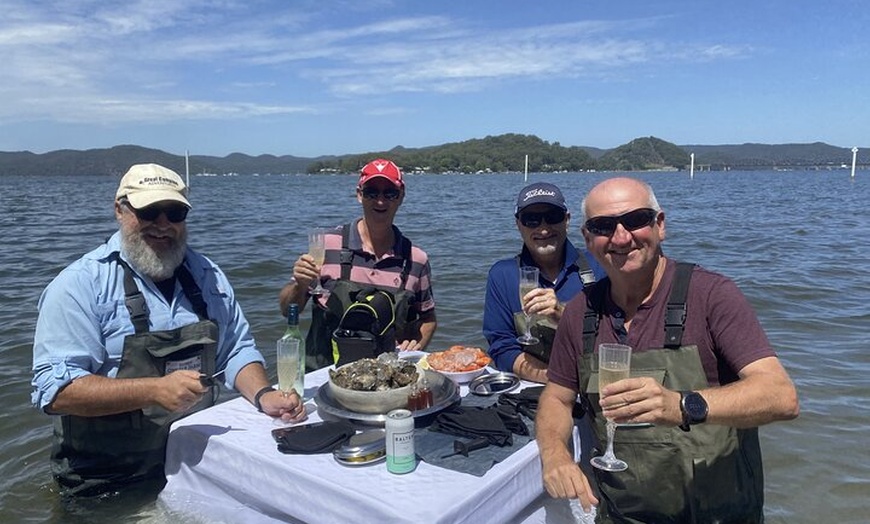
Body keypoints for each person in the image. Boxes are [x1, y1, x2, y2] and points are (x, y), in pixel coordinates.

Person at [31, 163, 306, 497]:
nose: (163, 225)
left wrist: (265, 396)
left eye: (175, 213)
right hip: (107, 480)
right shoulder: (79, 285)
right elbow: (56, 392)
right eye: (149, 211)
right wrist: (153, 390)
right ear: (120, 210)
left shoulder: (208, 275)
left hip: (197, 465)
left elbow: (235, 349)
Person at [536, 177, 799, 522]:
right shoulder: (580, 312)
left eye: (635, 220)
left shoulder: (711, 295)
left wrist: (682, 405)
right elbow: (557, 398)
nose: (620, 237)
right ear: (587, 238)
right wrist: (554, 454)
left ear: (660, 225)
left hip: (719, 514)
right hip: (623, 514)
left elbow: (781, 396)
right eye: (603, 226)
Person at [279, 158, 436, 371]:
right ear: (359, 194)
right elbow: (288, 311)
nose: (380, 201)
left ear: (401, 197)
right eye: (372, 192)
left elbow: (428, 319)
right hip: (324, 376)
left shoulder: (416, 259)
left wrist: (417, 344)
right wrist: (299, 285)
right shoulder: (327, 245)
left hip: (387, 380)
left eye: (389, 193)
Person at [483, 182, 603, 383]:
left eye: (553, 217)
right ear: (518, 224)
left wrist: (564, 316)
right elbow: (501, 347)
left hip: (593, 383)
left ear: (567, 220)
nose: (544, 228)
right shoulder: (502, 275)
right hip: (534, 387)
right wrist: (556, 379)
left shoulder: (600, 267)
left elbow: (619, 338)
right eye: (531, 219)